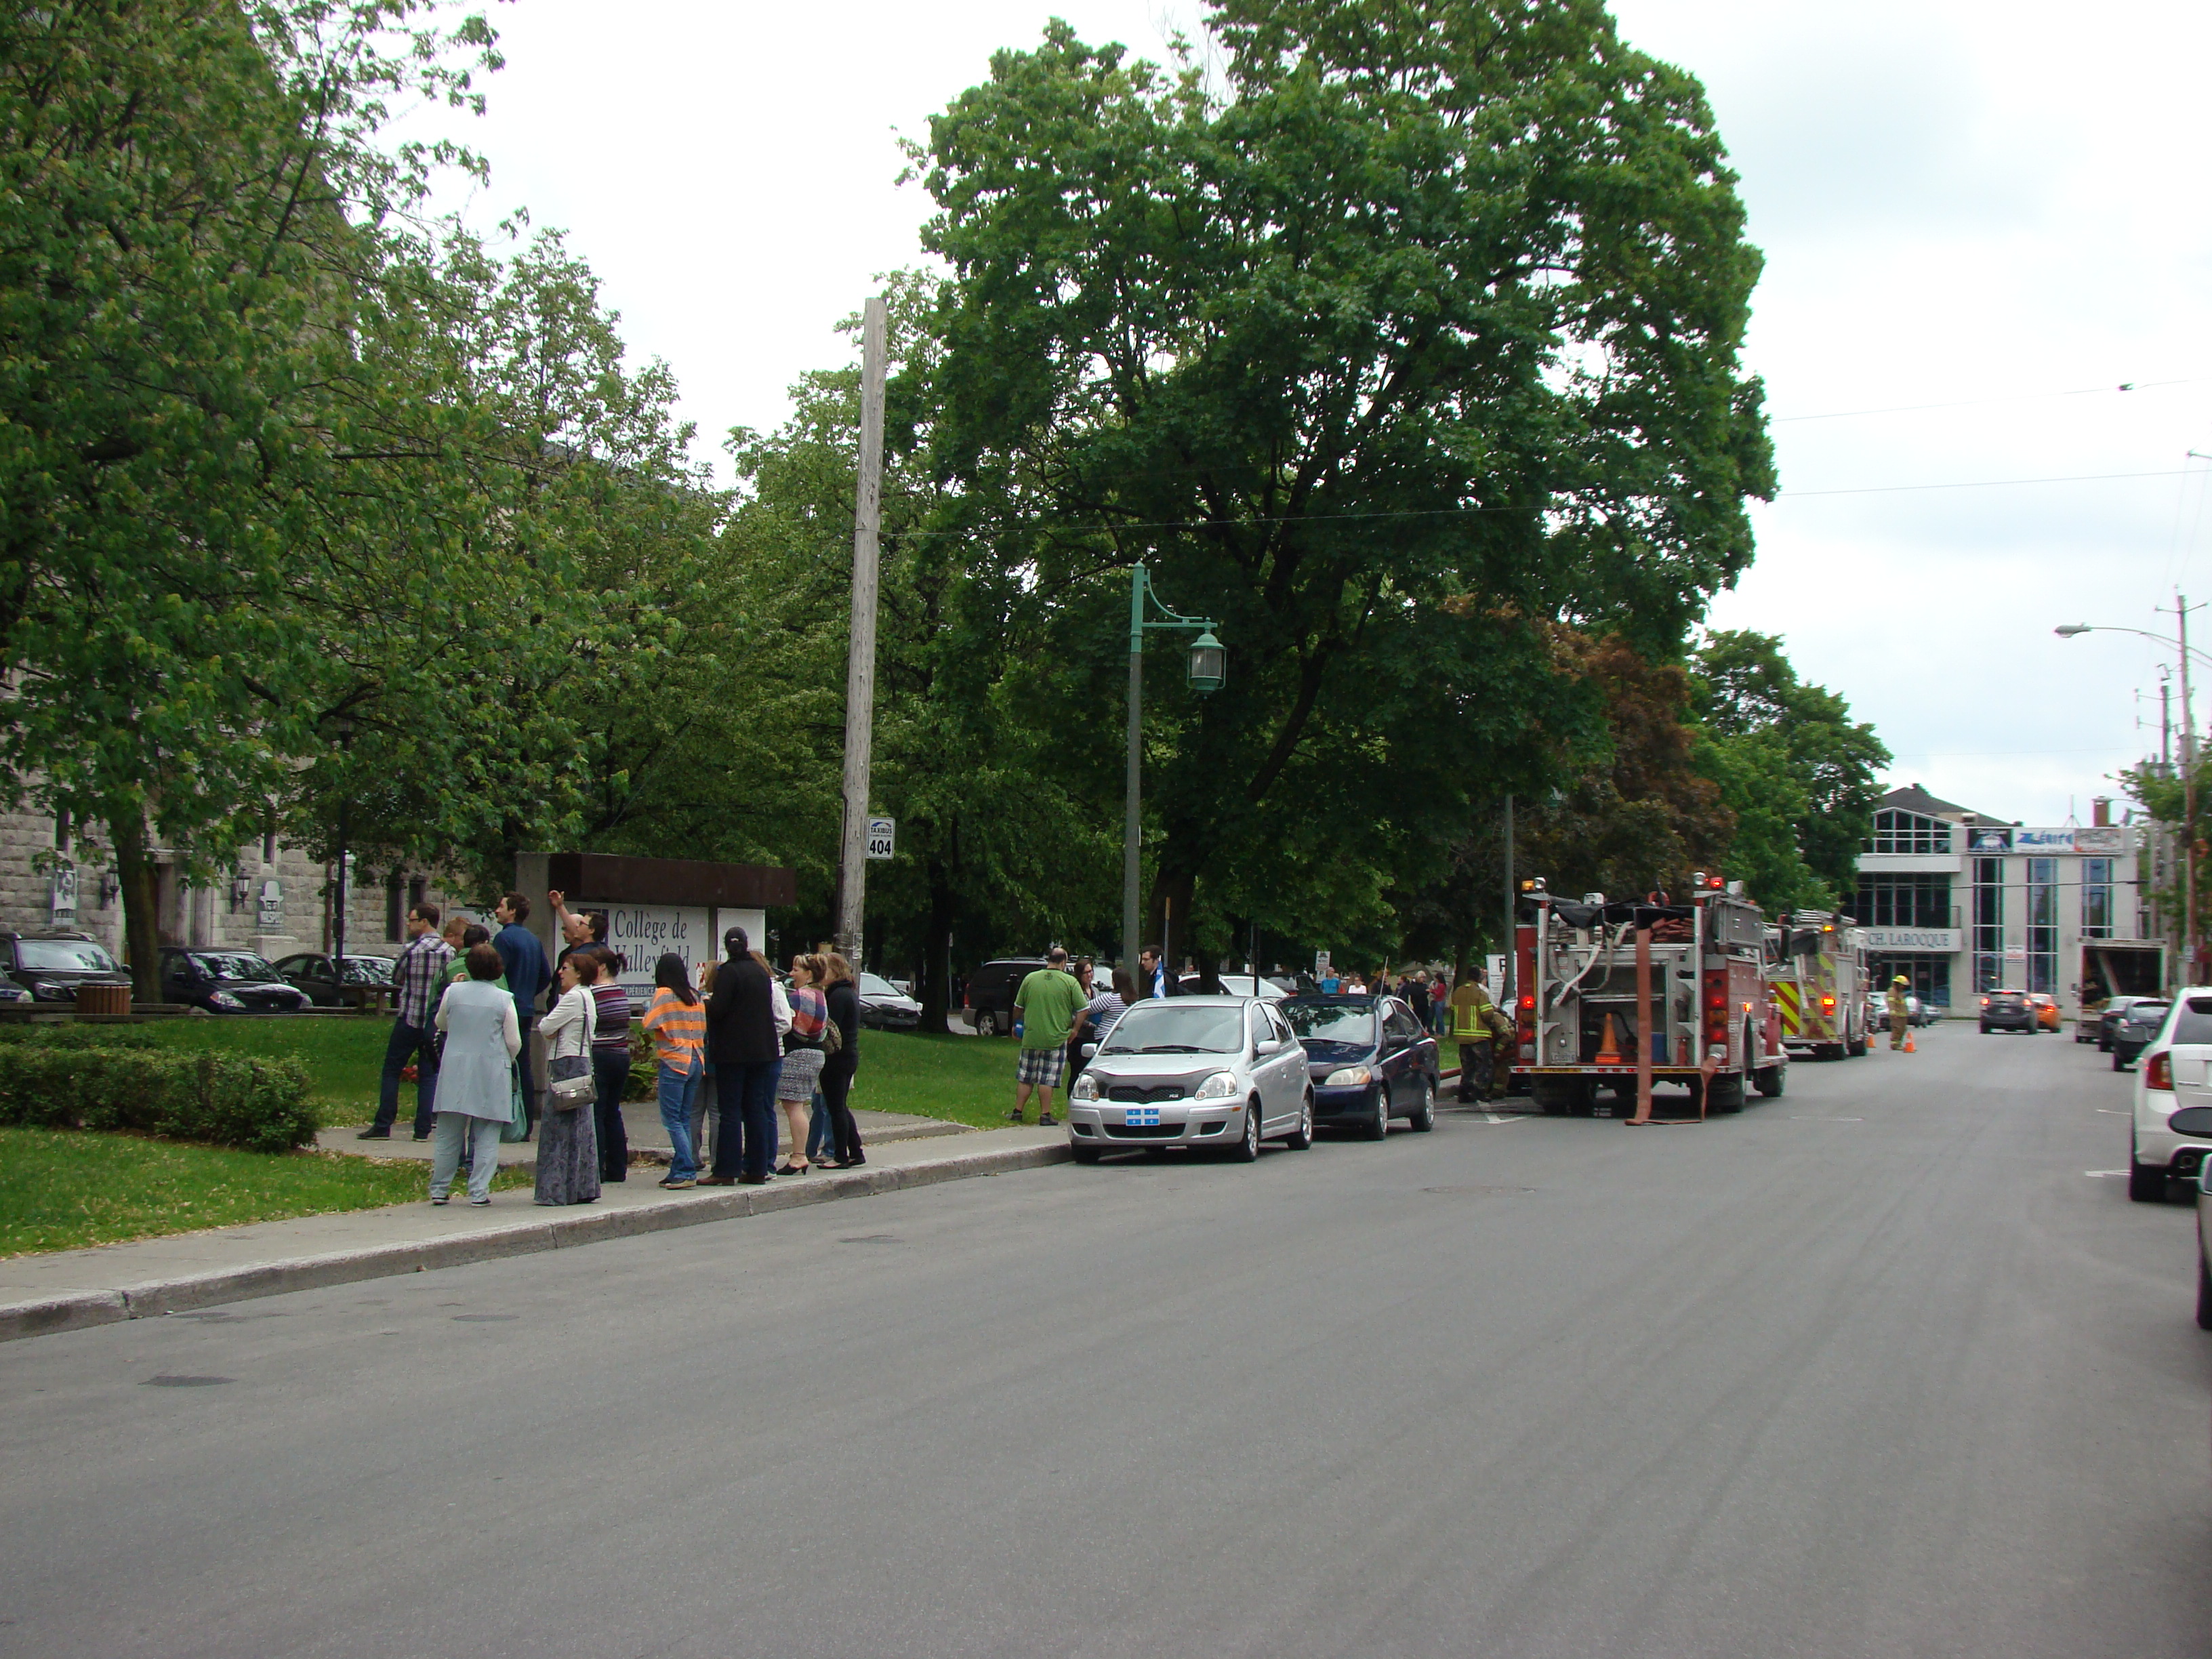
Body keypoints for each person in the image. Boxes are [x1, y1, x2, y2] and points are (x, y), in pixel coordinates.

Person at [428, 943, 523, 1206]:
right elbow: (513, 1041)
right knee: (487, 1132)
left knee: (449, 1132)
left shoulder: (453, 991)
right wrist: (506, 1059)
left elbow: (440, 1023)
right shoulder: (504, 999)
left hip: (455, 1066)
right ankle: (479, 1190)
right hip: (491, 1068)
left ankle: (440, 1188)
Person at [363, 902, 454, 1141]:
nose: (408, 924)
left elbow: (397, 977)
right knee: (428, 1074)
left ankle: (383, 1124)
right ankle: (422, 1128)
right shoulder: (449, 951)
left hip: (410, 1016)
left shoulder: (410, 950)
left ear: (424, 922)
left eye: (412, 920)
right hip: (434, 1021)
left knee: (392, 1069)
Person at [700, 928, 781, 1187]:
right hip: (762, 1051)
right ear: (747, 945)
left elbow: (720, 1009)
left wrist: (706, 1004)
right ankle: (757, 1167)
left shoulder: (728, 973)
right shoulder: (760, 973)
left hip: (733, 1052)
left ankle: (727, 1169)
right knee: (755, 1108)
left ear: (727, 947)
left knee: (730, 1111)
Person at [534, 951, 602, 1206]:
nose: (560, 973)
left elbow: (546, 1027)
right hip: (583, 1060)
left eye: (565, 968)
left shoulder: (572, 998)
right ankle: (582, 1185)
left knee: (557, 1127)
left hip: (566, 1061)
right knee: (581, 1126)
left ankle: (554, 1188)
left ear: (579, 973)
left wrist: (553, 1031)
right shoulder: (588, 996)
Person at [642, 953, 706, 1189]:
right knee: (685, 1116)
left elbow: (649, 1023)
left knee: (672, 1119)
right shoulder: (695, 996)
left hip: (675, 1059)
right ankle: (679, 1167)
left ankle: (687, 1171)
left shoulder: (664, 994)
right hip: (696, 1058)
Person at [492, 892, 551, 1134]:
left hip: (506, 1008)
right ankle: (525, 1123)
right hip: (526, 1007)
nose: (497, 910)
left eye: (501, 906)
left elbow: (496, 973)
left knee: (501, 1064)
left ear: (513, 911)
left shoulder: (504, 939)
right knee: (524, 1065)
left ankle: (503, 1120)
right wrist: (529, 993)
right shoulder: (533, 940)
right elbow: (546, 975)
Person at [1009, 947, 1086, 1126]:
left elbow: (1018, 1007)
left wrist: (1016, 1025)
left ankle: (1017, 1111)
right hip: (1057, 1039)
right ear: (1063, 962)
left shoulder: (1030, 979)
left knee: (1025, 1077)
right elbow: (1083, 1009)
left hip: (1031, 1037)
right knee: (1047, 1078)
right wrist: (1075, 1030)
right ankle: (1045, 1115)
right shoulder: (1070, 982)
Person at [775, 954, 830, 1175]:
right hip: (815, 1055)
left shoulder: (800, 997)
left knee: (794, 1106)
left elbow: (789, 1024)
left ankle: (799, 1156)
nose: (792, 972)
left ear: (809, 974)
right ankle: (800, 1155)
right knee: (797, 1106)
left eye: (797, 969)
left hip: (798, 1054)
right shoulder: (820, 995)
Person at [582, 944, 632, 1183]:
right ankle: (618, 1166)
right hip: (620, 1055)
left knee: (597, 1113)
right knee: (613, 1111)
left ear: (600, 967)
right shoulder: (620, 993)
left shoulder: (592, 995)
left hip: (600, 1055)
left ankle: (597, 1166)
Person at [817, 952, 865, 1168]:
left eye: (825, 970)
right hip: (848, 1055)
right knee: (841, 1106)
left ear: (835, 972)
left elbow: (831, 1029)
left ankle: (840, 1155)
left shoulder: (837, 996)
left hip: (837, 1057)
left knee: (835, 1107)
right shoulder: (848, 993)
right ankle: (855, 1151)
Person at [1448, 969, 1513, 1101]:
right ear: (1478, 978)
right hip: (1479, 1036)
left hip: (1462, 1037)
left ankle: (1464, 1094)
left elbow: (1454, 1011)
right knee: (1484, 1065)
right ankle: (1479, 1091)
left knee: (1467, 1067)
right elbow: (1487, 1014)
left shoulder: (1457, 992)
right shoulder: (1480, 994)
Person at [1887, 975, 1912, 1050]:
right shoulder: (1892, 991)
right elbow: (1891, 1002)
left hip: (1902, 1015)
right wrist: (1893, 1012)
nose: (1903, 987)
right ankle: (1895, 1045)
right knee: (1897, 1030)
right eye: (1902, 985)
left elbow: (1902, 1004)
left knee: (1902, 1030)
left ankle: (1899, 1043)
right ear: (1897, 984)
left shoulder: (1900, 992)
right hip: (1897, 1015)